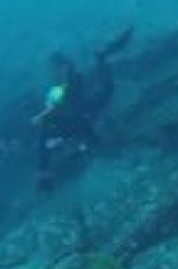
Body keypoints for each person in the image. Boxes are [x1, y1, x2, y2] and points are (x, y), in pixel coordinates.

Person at [33, 26, 133, 191]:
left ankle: (98, 57)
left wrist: (95, 143)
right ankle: (91, 57)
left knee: (106, 92)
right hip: (74, 105)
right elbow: (45, 144)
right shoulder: (52, 129)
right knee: (86, 85)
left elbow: (82, 127)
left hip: (79, 106)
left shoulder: (57, 128)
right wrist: (43, 171)